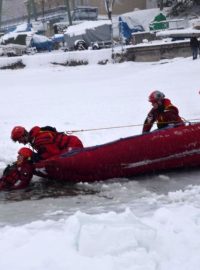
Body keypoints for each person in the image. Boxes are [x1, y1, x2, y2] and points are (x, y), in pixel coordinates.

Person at [11, 126, 83, 160]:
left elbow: (54, 153)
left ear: (23, 136)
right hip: (70, 145)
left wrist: (38, 157)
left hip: (73, 145)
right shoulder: (35, 137)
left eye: (19, 140)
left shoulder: (39, 139)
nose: (20, 142)